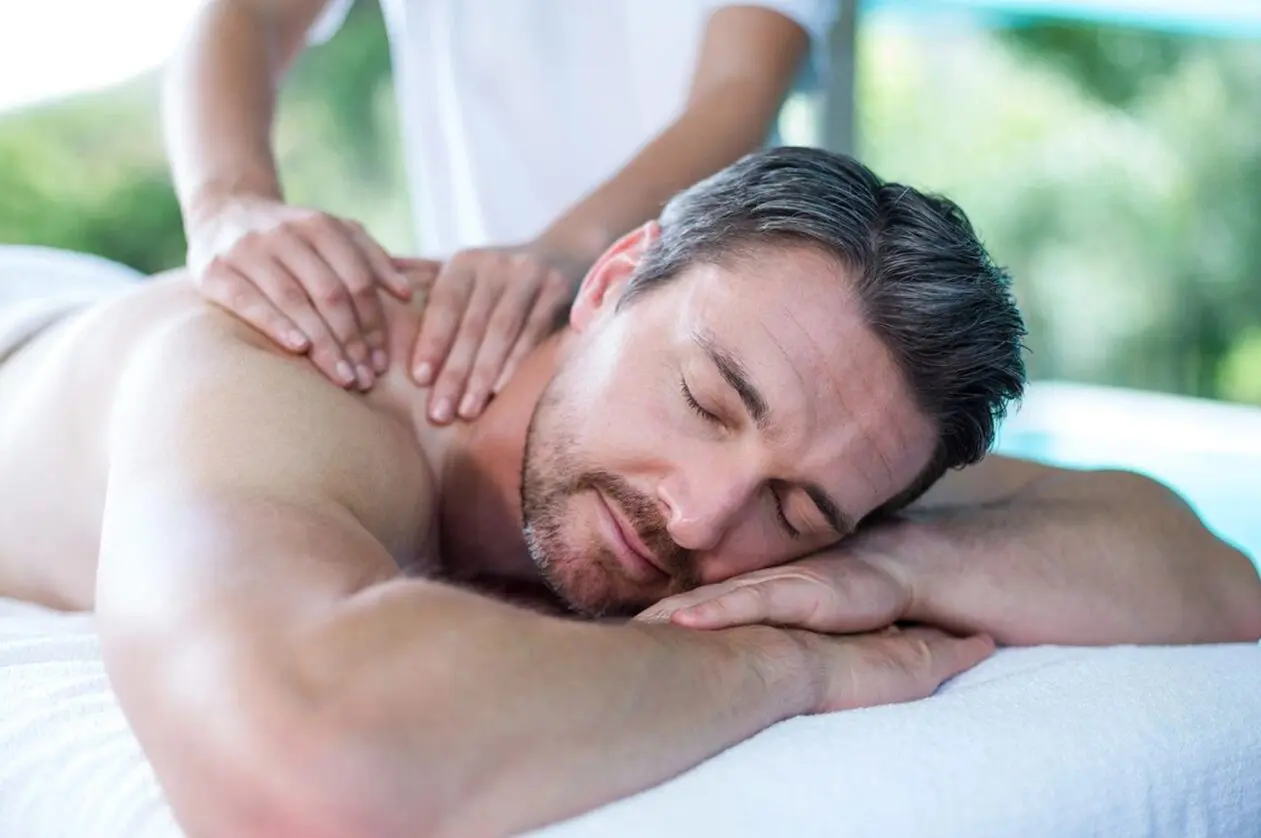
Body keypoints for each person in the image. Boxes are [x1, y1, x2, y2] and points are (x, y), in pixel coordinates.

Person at [0, 149, 1257, 838]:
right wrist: (784, 664)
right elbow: (298, 764)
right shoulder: (290, 380)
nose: (705, 518)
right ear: (606, 284)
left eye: (799, 510)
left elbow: (1204, 568)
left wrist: (880, 568)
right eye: (711, 399)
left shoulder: (827, 447)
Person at [164, 0, 835, 427]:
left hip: (687, 313)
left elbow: (736, 88)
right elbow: (244, 14)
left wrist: (576, 249)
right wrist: (227, 200)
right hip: (476, 325)